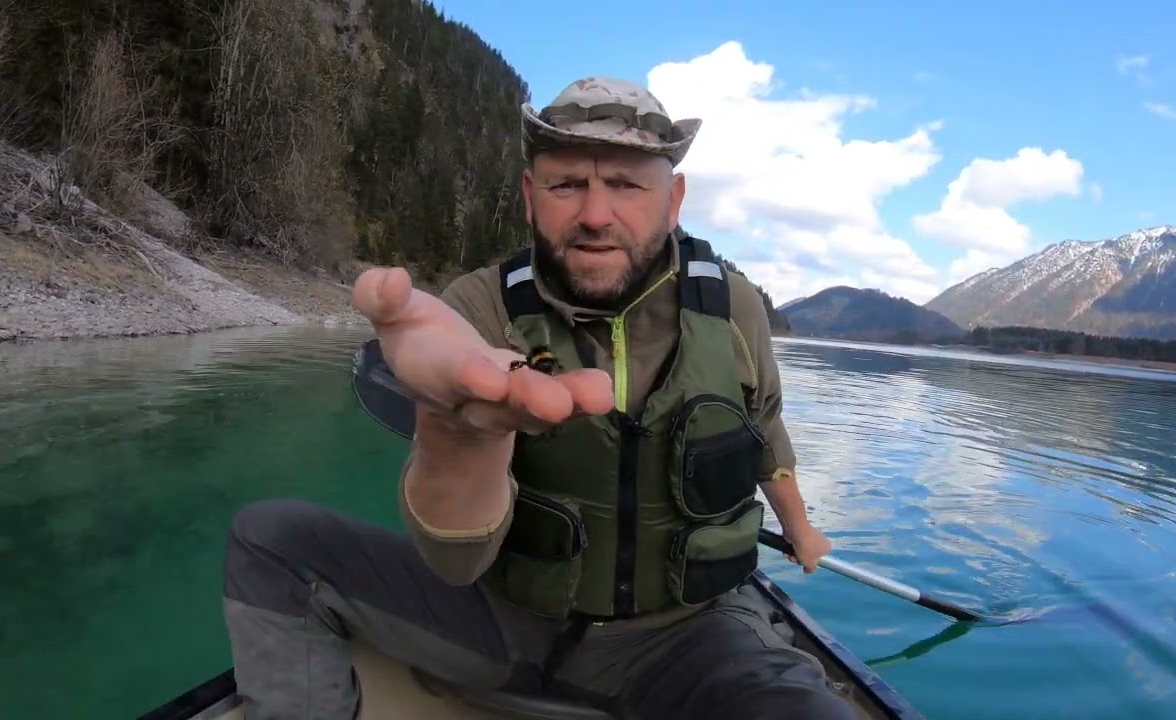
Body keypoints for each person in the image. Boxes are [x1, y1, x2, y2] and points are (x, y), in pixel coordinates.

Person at [222, 76, 852, 720]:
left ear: (674, 200)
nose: (596, 214)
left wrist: (799, 528)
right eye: (566, 184)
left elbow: (765, 430)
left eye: (628, 184)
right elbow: (454, 558)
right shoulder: (477, 311)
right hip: (504, 627)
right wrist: (462, 435)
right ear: (530, 196)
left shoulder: (734, 309)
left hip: (693, 638)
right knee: (271, 540)